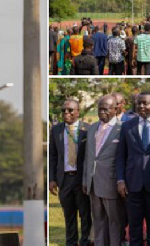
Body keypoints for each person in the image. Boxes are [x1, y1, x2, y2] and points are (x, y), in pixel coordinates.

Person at [116, 92, 150, 246]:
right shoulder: (127, 126)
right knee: (134, 230)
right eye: (139, 103)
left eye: (145, 103)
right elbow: (121, 156)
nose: (141, 106)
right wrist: (120, 180)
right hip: (132, 185)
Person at [82, 95, 125, 246]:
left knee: (114, 222)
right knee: (98, 221)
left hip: (111, 182)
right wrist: (86, 179)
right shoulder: (92, 127)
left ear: (115, 109)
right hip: (93, 183)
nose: (102, 112)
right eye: (100, 109)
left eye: (106, 109)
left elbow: (123, 159)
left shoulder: (122, 129)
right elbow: (89, 157)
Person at [49, 100, 92, 246]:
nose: (66, 113)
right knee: (69, 215)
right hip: (65, 178)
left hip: (81, 179)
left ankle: (85, 241)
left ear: (78, 112)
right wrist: (52, 178)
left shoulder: (88, 129)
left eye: (70, 110)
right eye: (64, 110)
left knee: (85, 214)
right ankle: (71, 242)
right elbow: (53, 156)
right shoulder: (56, 130)